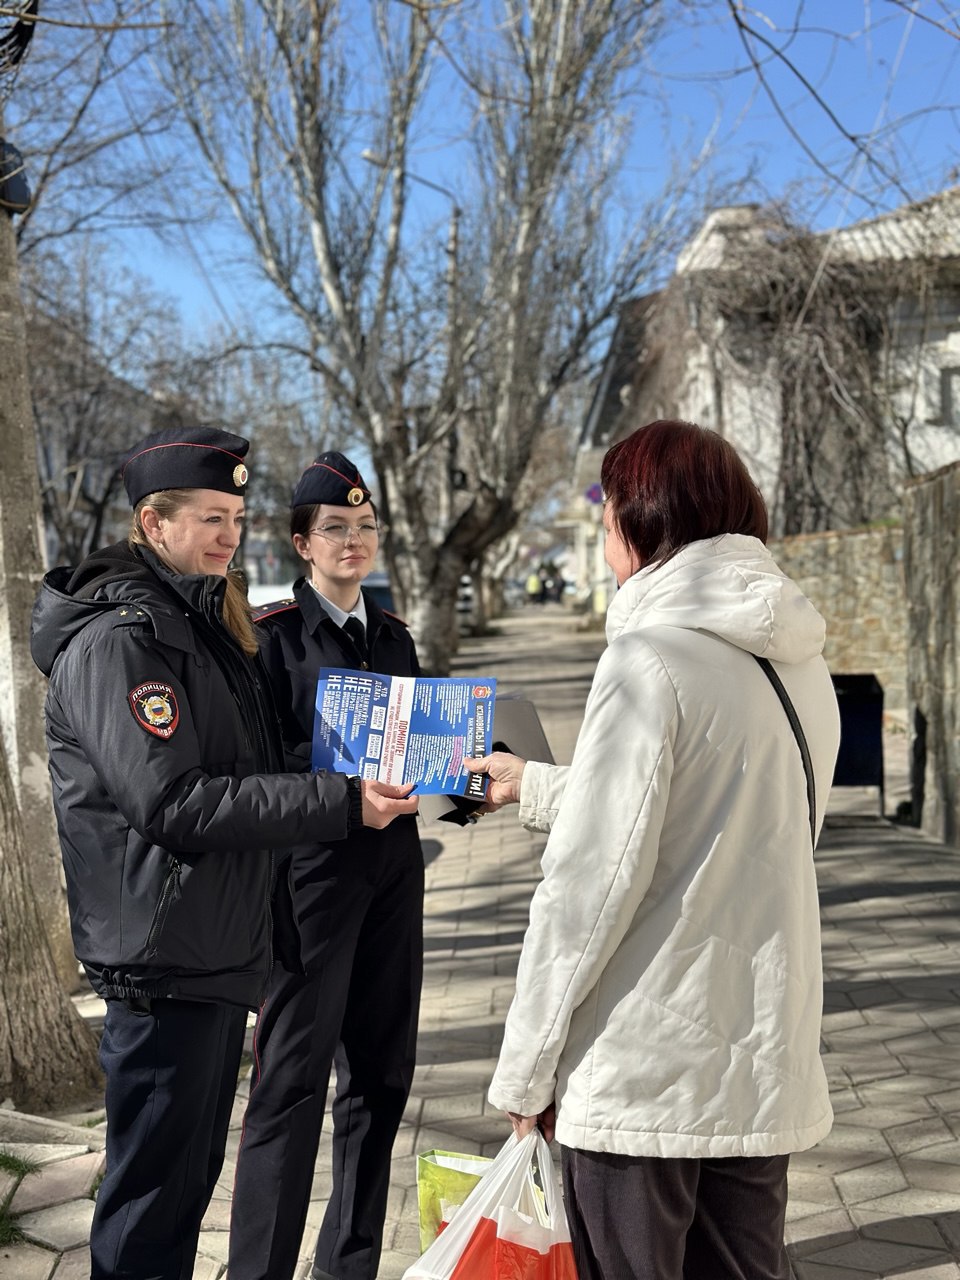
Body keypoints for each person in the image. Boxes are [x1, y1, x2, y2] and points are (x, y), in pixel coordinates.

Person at [30, 428, 417, 1280]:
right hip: (160, 956)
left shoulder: (194, 621)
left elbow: (253, 769)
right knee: (146, 1213)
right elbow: (172, 801)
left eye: (236, 517)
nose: (227, 535)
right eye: (210, 517)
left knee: (177, 1201)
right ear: (152, 523)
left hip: (207, 949)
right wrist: (342, 799)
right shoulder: (125, 640)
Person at [465, 419, 841, 1280]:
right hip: (762, 1053)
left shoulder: (648, 658)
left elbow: (591, 887)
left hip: (646, 1070)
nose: (603, 547)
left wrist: (523, 1074)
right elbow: (725, 818)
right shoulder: (798, 659)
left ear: (644, 522)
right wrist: (541, 786)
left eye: (605, 523)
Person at [228, 452, 424, 1280]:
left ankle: (347, 1266)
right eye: (336, 528)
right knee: (291, 1088)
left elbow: (419, 753)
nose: (354, 540)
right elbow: (255, 771)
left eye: (365, 527)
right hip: (309, 885)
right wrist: (340, 780)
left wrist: (465, 779)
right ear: (303, 543)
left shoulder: (393, 637)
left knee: (381, 1080)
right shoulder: (269, 641)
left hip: (392, 878)